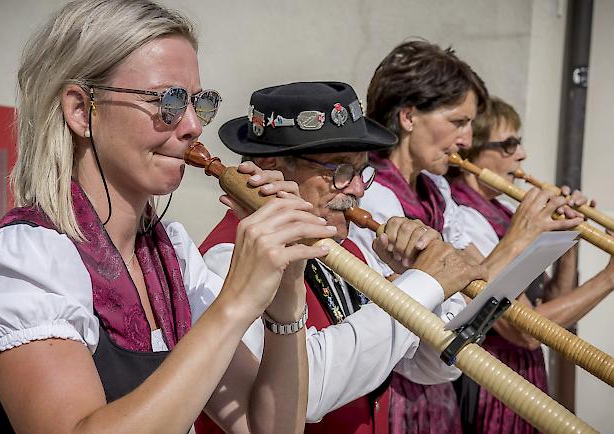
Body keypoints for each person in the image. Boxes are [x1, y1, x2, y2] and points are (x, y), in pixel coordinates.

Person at [0, 1, 338, 433]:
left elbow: (266, 428)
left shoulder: (170, 258)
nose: (193, 126)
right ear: (81, 111)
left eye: (199, 102)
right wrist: (235, 303)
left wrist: (287, 291)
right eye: (169, 100)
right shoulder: (26, 260)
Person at [194, 81, 488, 434]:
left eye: (362, 171)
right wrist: (421, 286)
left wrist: (429, 290)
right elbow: (309, 391)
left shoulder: (346, 249)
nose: (359, 189)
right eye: (340, 170)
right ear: (271, 165)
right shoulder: (224, 260)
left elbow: (432, 369)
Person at [349, 40, 585, 434]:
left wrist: (555, 236)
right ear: (408, 116)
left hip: (440, 388)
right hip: (394, 393)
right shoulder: (372, 193)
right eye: (459, 122)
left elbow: (473, 286)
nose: (466, 140)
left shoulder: (437, 191)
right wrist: (517, 238)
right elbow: (445, 309)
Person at [448, 96, 614, 434]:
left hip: (524, 374)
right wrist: (609, 278)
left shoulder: (508, 213)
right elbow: (525, 330)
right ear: (471, 153)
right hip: (493, 386)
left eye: (519, 142)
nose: (521, 154)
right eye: (508, 145)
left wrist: (569, 238)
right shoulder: (462, 218)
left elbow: (553, 304)